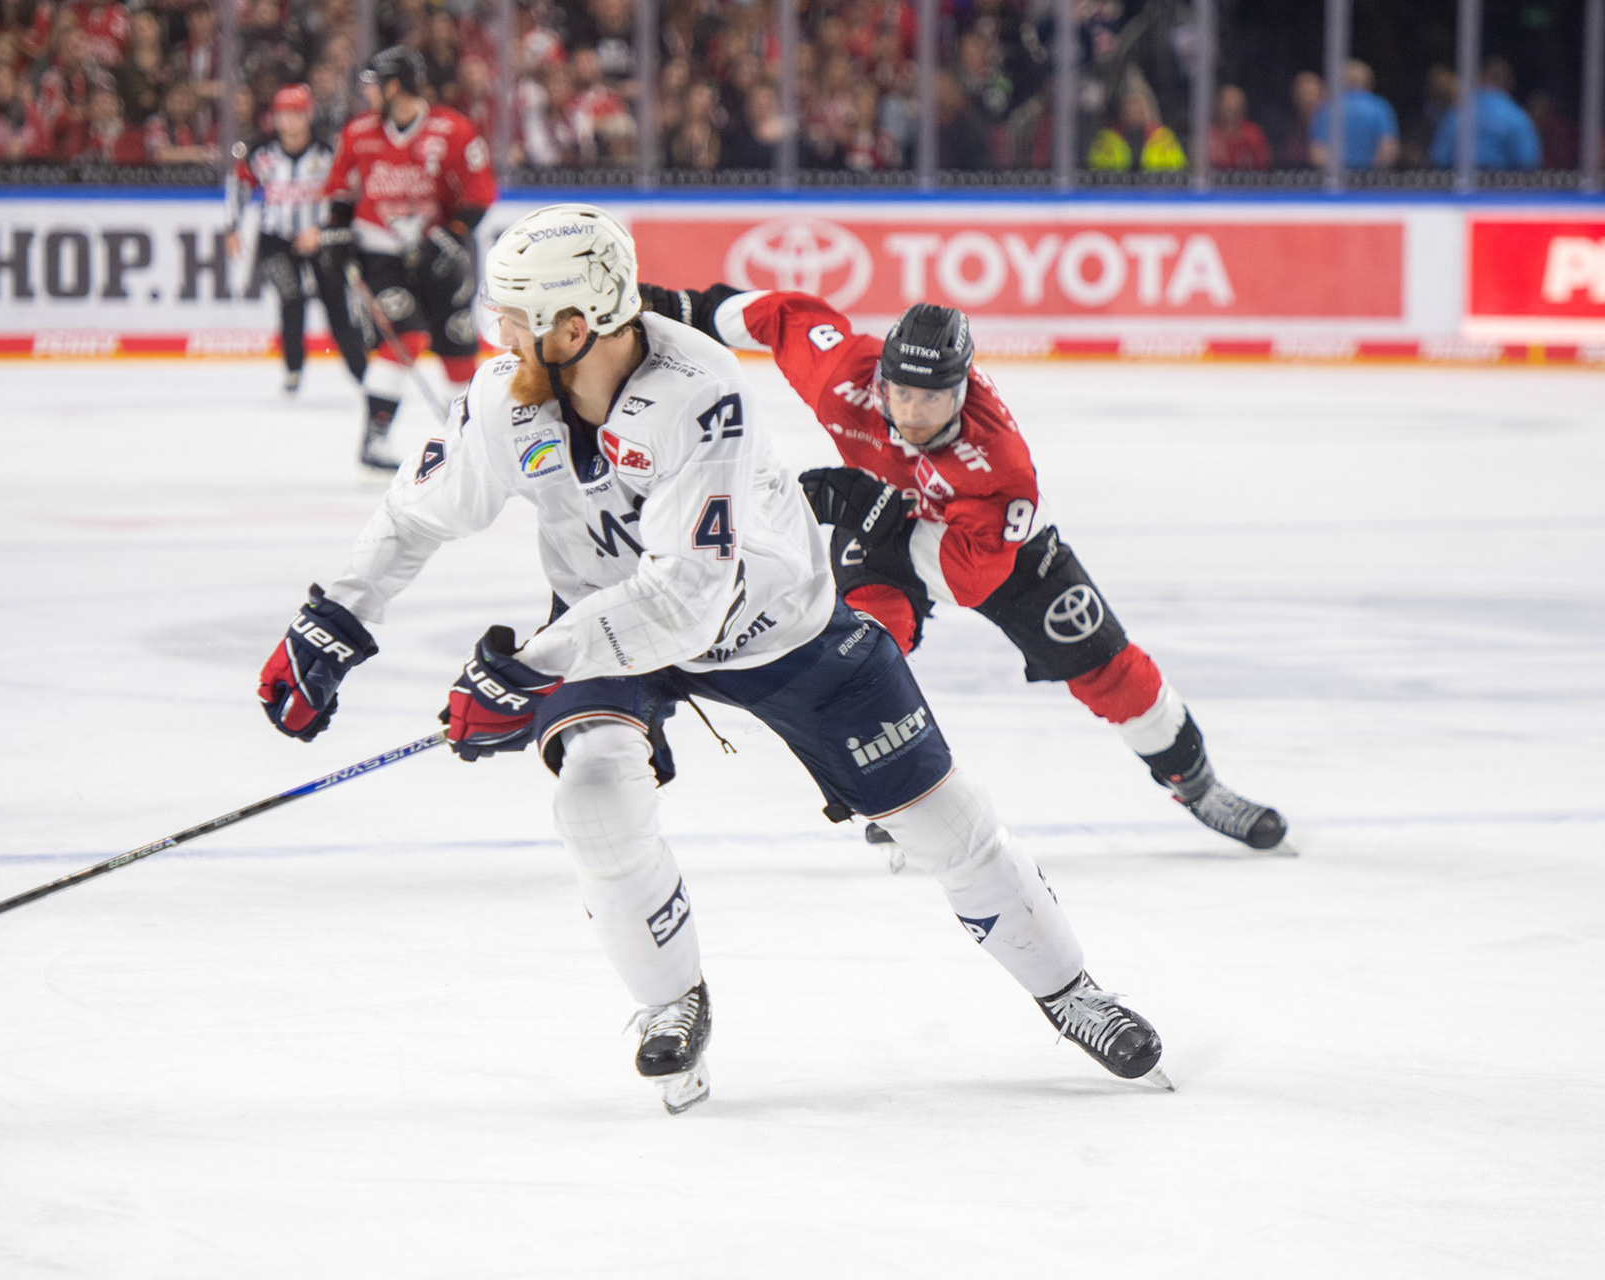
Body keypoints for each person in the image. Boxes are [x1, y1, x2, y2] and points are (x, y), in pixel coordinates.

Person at [255, 204, 1171, 1114]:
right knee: (594, 796)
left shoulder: (698, 391)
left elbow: (689, 599)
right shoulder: (507, 394)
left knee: (948, 824)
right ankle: (671, 1004)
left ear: (574, 328)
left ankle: (1071, 992)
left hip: (775, 626)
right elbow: (417, 513)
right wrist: (335, 619)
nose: (496, 334)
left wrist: (532, 666)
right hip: (606, 618)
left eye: (514, 318)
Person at [635, 280, 1288, 856]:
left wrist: (869, 501)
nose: (912, 414)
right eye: (900, 394)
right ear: (879, 378)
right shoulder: (843, 373)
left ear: (964, 389)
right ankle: (899, 791)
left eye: (932, 399)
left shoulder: (1000, 464)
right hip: (883, 529)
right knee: (866, 653)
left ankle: (1197, 784)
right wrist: (672, 308)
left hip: (994, 553)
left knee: (1112, 671)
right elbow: (776, 315)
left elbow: (969, 579)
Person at [320, 45, 496, 473]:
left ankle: (470, 439)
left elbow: (479, 191)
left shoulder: (452, 130)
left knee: (458, 346)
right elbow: (340, 189)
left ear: (394, 86)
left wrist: (452, 237)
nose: (368, 94)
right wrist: (338, 233)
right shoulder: (358, 132)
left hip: (437, 252)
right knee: (406, 336)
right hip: (381, 252)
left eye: (374, 85)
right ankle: (374, 439)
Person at [224, 82, 366, 398]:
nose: (289, 122)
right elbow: (239, 186)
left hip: (319, 237)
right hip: (276, 239)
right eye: (283, 115)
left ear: (308, 116)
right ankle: (293, 369)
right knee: (291, 299)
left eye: (296, 115)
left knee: (336, 304)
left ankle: (362, 372)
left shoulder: (327, 153)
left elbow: (348, 193)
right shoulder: (261, 153)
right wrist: (232, 227)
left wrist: (327, 231)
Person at [1430, 56, 1541, 172]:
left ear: (1479, 78)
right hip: (1503, 186)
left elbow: (1438, 158)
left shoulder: (1456, 112)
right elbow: (1528, 162)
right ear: (1510, 83)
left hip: (1460, 185)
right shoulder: (1517, 116)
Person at [1309, 58, 1398, 171]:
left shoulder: (1326, 109)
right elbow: (1388, 150)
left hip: (1335, 183)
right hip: (1369, 182)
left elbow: (1318, 155)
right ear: (1369, 82)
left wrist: (1337, 177)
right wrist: (1372, 177)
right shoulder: (1380, 107)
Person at [1087, 85, 1185, 173]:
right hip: (1116, 192)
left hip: (1156, 192)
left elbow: (1178, 171)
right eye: (1131, 110)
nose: (1135, 115)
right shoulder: (1107, 139)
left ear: (1148, 112)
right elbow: (1096, 172)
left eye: (1140, 110)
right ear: (1122, 112)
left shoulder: (1164, 137)